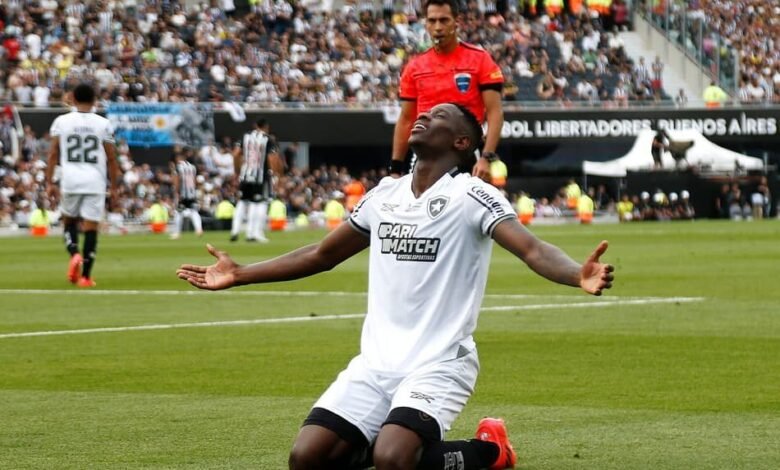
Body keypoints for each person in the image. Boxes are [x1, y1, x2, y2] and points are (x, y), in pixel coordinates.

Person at [177, 103, 615, 470]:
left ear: (462, 142)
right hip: (376, 363)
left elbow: (533, 250)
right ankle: (421, 441)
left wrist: (576, 273)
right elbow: (321, 255)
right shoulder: (383, 195)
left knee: (393, 459)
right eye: (424, 112)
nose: (423, 116)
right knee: (307, 458)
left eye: (439, 117)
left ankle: (488, 450)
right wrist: (240, 273)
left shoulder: (472, 195)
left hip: (440, 362)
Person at [389, 0, 505, 182]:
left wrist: (486, 157)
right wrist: (395, 168)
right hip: (425, 155)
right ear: (425, 23)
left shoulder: (480, 60)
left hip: (465, 154)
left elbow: (495, 113)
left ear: (456, 21)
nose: (438, 27)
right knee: (421, 209)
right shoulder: (414, 67)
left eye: (444, 20)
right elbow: (406, 119)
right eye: (432, 21)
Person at [45, 82, 120, 288]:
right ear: (95, 101)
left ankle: (74, 253)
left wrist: (50, 182)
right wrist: (114, 187)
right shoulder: (103, 123)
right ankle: (86, 277)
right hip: (95, 181)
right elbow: (112, 159)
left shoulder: (62, 122)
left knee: (69, 222)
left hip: (70, 179)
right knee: (91, 228)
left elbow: (53, 154)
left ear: (73, 99)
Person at [230, 119, 280, 243]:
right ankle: (252, 233)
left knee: (242, 202)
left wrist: (237, 171)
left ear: (255, 125)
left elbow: (236, 154)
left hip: (245, 174)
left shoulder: (245, 136)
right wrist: (274, 174)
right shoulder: (267, 138)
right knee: (258, 203)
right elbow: (272, 158)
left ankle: (235, 231)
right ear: (266, 126)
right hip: (260, 176)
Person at [169, 150, 203, 240]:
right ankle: (199, 229)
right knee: (194, 212)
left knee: (178, 213)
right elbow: (195, 180)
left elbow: (177, 180)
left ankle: (177, 233)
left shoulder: (178, 167)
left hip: (182, 194)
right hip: (192, 193)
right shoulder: (192, 167)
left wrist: (177, 192)